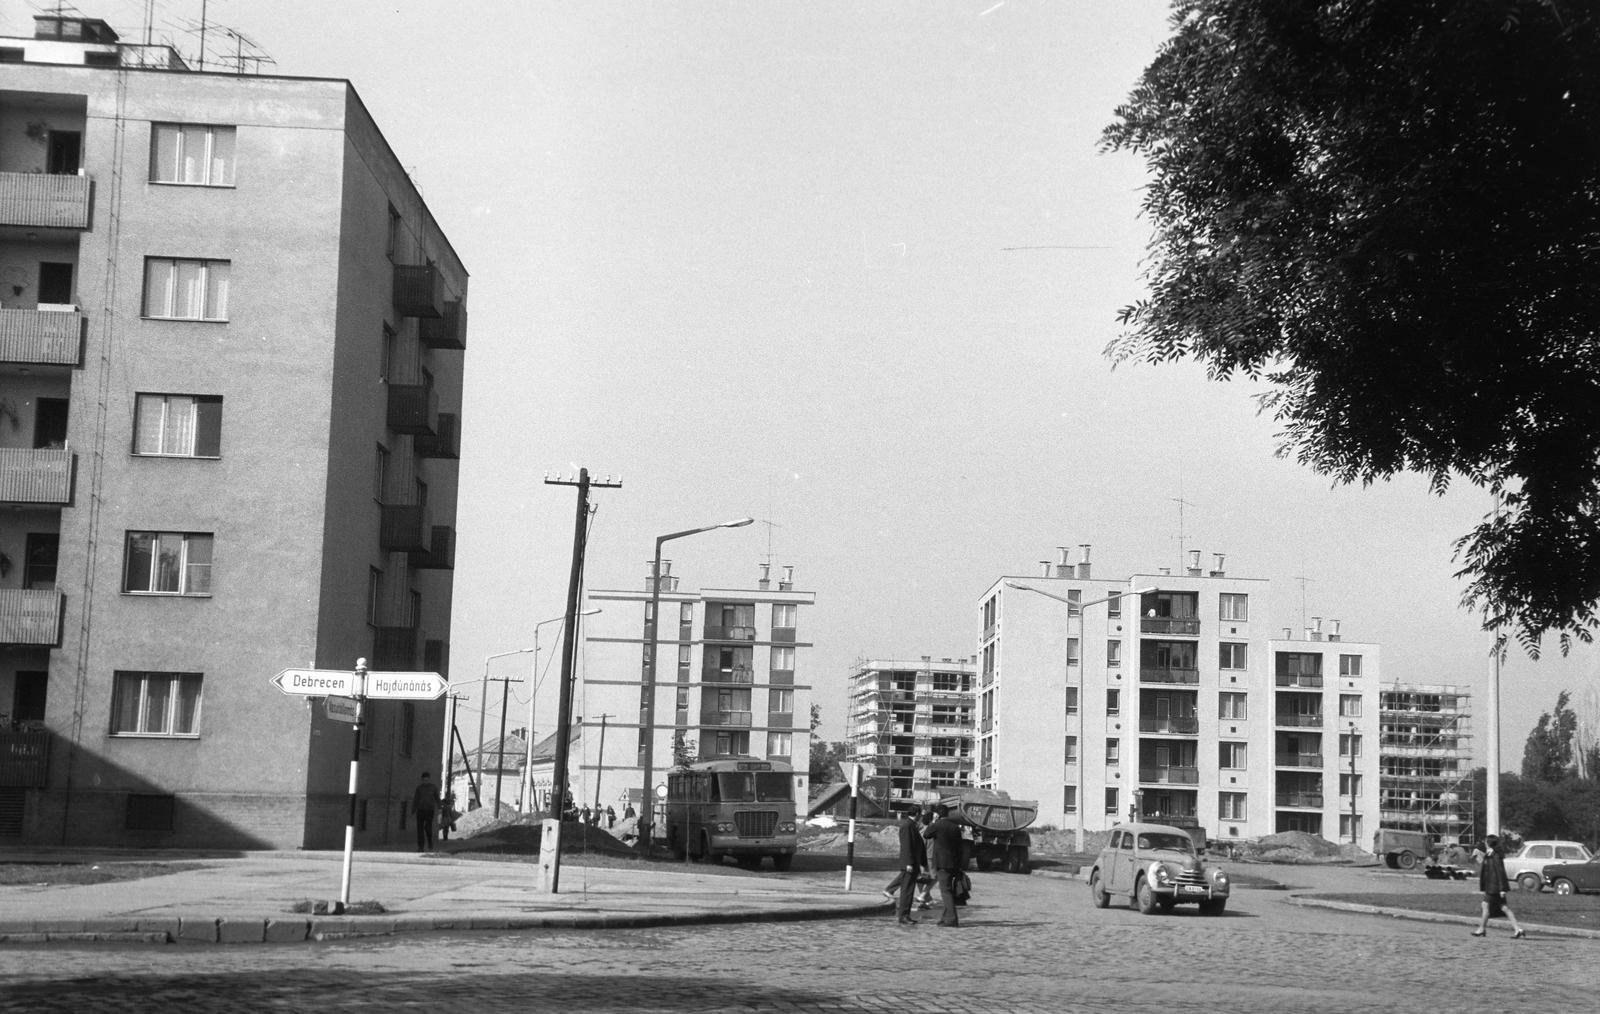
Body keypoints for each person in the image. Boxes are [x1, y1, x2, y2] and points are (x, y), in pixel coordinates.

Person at [1473, 835, 1527, 939]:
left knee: (1485, 905)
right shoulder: (1491, 854)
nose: (1484, 843)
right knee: (1504, 908)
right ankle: (1518, 929)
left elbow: (1500, 872)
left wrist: (1502, 889)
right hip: (1492, 886)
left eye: (1485, 841)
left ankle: (1481, 929)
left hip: (1494, 887)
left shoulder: (1495, 856)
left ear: (1488, 843)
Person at [922, 802, 965, 927]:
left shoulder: (938, 825)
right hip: (954, 864)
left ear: (937, 814)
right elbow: (960, 848)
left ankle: (951, 919)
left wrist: (934, 821)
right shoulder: (955, 827)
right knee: (948, 891)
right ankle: (945, 917)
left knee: (945, 892)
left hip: (942, 863)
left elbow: (926, 834)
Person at [885, 809, 927, 926]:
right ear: (917, 814)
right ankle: (903, 916)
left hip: (913, 863)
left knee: (909, 890)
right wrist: (908, 863)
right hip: (909, 864)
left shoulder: (911, 825)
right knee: (906, 891)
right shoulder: (907, 826)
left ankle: (906, 915)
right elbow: (907, 845)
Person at [412, 772, 439, 853]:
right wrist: (413, 809)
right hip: (420, 810)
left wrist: (440, 806)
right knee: (419, 829)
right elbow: (416, 799)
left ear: (429, 779)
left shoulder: (433, 787)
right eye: (424, 780)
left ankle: (430, 843)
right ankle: (421, 847)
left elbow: (437, 798)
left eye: (427, 780)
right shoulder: (419, 788)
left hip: (430, 810)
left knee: (427, 827)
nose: (425, 781)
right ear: (422, 780)